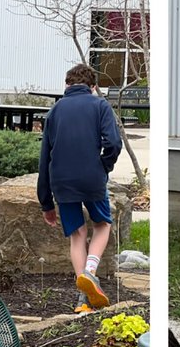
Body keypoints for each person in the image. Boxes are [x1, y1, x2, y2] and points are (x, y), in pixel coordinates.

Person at [37, 63, 122, 313]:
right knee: (102, 224)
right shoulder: (100, 106)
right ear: (93, 86)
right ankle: (90, 272)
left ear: (66, 84)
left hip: (61, 181)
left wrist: (45, 202)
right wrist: (103, 166)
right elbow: (113, 143)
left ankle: (82, 299)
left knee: (77, 235)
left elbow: (44, 158)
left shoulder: (54, 111)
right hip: (91, 178)